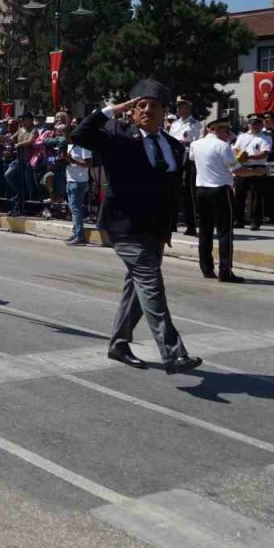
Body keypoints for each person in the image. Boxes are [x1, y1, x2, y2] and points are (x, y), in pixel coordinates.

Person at [70, 79, 201, 375]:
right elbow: (80, 134)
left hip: (154, 229)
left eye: (153, 106)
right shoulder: (117, 134)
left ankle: (118, 344)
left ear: (164, 112)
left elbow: (171, 190)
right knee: (152, 286)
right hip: (124, 225)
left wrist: (169, 227)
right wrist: (111, 110)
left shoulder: (172, 145)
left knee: (137, 290)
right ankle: (173, 353)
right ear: (132, 111)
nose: (147, 110)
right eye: (141, 105)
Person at [190, 119, 262, 283]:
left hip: (201, 190)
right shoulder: (223, 146)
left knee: (205, 231)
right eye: (226, 131)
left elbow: (194, 159)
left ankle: (207, 268)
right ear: (216, 129)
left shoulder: (196, 144)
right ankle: (225, 271)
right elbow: (238, 170)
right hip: (220, 190)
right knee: (225, 232)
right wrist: (256, 172)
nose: (228, 135)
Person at [168, 97, 202, 236]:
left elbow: (197, 142)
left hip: (188, 158)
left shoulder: (195, 123)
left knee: (189, 192)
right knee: (173, 190)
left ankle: (191, 225)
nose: (181, 109)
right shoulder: (175, 124)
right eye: (179, 107)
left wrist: (184, 143)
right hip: (174, 157)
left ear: (189, 108)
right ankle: (172, 223)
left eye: (184, 107)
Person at [232, 115, 271, 230]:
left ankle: (255, 221)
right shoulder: (242, 136)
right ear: (248, 124)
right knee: (239, 195)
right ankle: (238, 219)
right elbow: (236, 149)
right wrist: (239, 157)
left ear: (261, 124)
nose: (255, 125)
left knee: (256, 197)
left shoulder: (265, 137)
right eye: (252, 123)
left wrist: (248, 157)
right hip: (242, 167)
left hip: (257, 167)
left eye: (257, 123)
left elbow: (265, 153)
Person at [64, 127, 92, 245]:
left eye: (68, 136)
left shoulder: (84, 147)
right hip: (70, 179)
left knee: (76, 209)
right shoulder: (70, 146)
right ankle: (76, 232)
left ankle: (79, 236)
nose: (66, 138)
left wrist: (72, 161)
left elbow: (89, 163)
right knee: (73, 208)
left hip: (79, 181)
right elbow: (70, 161)